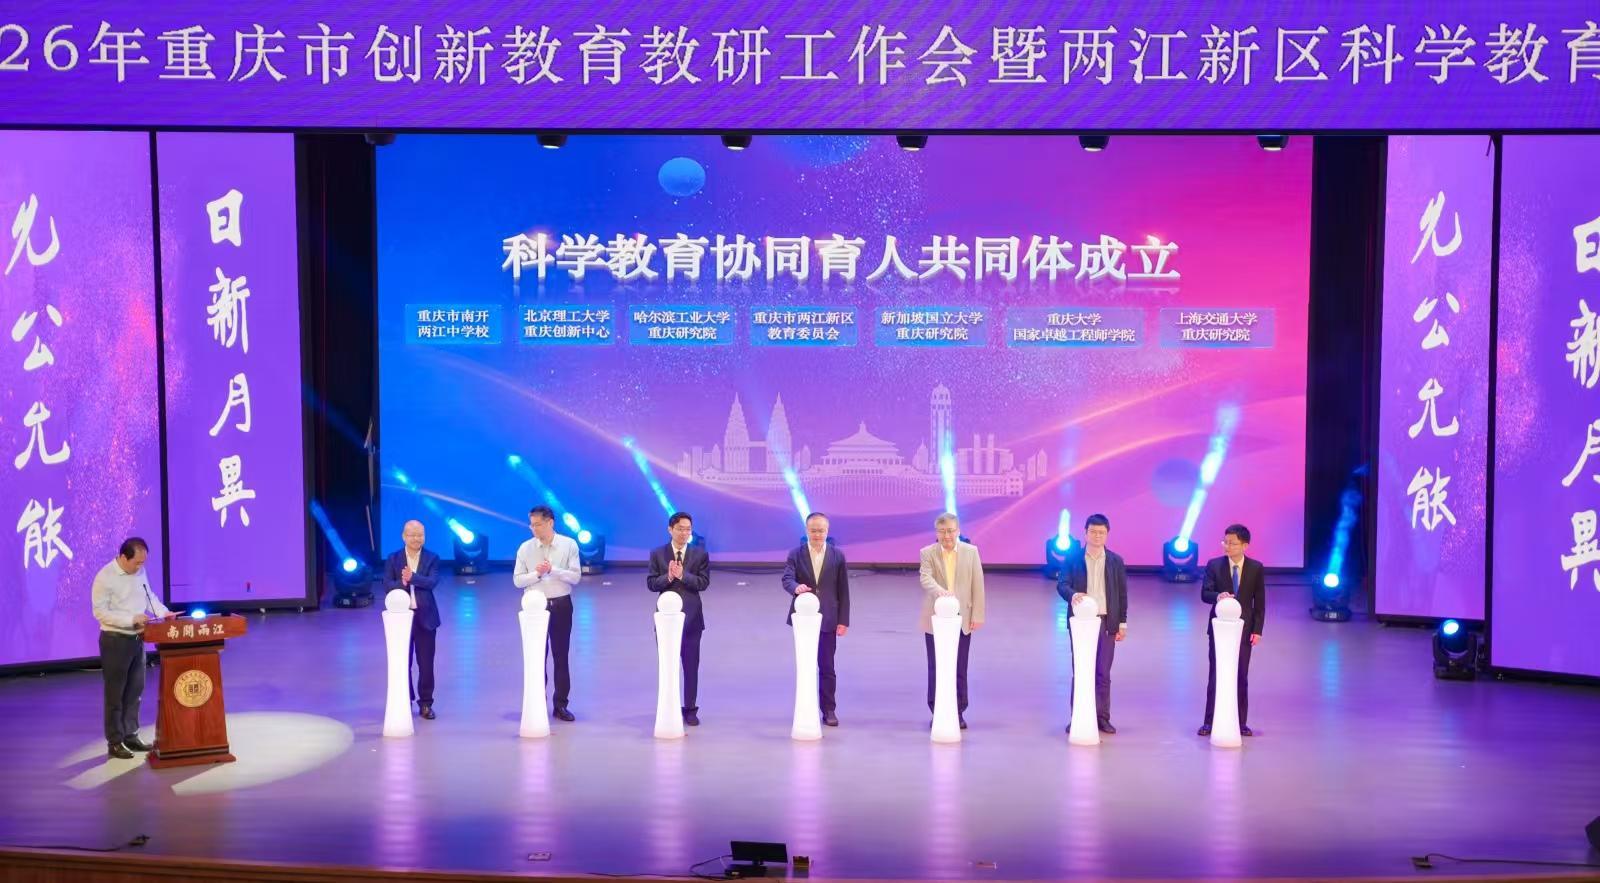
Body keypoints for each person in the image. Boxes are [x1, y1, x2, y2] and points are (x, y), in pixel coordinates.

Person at [90, 537, 173, 759]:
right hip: (115, 640)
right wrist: (131, 619)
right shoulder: (105, 577)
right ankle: (115, 741)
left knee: (135, 690)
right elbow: (100, 612)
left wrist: (163, 612)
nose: (140, 567)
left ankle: (131, 735)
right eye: (137, 563)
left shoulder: (139, 571)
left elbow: (149, 596)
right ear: (123, 557)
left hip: (138, 639)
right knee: (115, 694)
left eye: (143, 563)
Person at [1056, 513, 1128, 734]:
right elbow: (1062, 584)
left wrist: (1122, 623)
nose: (1097, 536)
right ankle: (1078, 716)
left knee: (1103, 672)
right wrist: (1073, 595)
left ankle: (1102, 717)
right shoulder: (1073, 558)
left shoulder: (1115, 561)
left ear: (1107, 534)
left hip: (1107, 620)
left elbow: (1122, 594)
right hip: (1081, 623)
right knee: (1081, 670)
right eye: (1093, 532)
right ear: (1085, 533)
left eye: (1101, 532)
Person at [781, 512, 851, 727]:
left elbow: (843, 590)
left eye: (821, 530)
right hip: (804, 620)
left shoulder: (837, 556)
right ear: (806, 531)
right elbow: (787, 578)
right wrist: (796, 588)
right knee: (806, 665)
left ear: (827, 531)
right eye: (813, 530)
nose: (817, 534)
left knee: (827, 666)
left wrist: (843, 620)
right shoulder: (795, 554)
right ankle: (806, 708)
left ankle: (829, 709)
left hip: (829, 618)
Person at [513, 505, 582, 721]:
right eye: (532, 525)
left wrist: (554, 570)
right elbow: (517, 580)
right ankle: (537, 703)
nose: (534, 528)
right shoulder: (525, 548)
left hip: (561, 605)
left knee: (561, 656)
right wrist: (537, 574)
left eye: (538, 524)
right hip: (535, 608)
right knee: (536, 656)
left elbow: (575, 577)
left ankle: (560, 705)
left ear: (550, 522)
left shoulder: (569, 545)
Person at [1198, 523, 1267, 737]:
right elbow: (1205, 594)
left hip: (1244, 631)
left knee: (1240, 675)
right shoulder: (1214, 565)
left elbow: (1259, 603)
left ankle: (1240, 722)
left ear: (1245, 545)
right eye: (1225, 542)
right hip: (1219, 630)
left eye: (1233, 543)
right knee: (1216, 674)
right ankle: (1209, 722)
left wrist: (1257, 630)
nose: (1227, 546)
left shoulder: (1255, 568)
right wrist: (1218, 596)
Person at [918, 512, 985, 729]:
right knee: (936, 667)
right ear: (936, 532)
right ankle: (937, 710)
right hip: (935, 620)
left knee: (959, 667)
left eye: (950, 531)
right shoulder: (927, 552)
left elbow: (978, 584)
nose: (947, 536)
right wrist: (941, 592)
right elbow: (925, 577)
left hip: (962, 619)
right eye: (942, 531)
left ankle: (958, 711)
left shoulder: (971, 552)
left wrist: (977, 615)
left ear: (958, 531)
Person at [647, 511, 710, 726]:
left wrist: (683, 576)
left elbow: (703, 583)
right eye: (680, 529)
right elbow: (651, 584)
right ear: (670, 529)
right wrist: (669, 577)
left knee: (691, 666)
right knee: (668, 665)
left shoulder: (699, 554)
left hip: (692, 619)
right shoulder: (658, 554)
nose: (684, 533)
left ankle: (690, 709)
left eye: (688, 529)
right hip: (666, 621)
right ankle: (669, 706)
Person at [383, 520, 442, 719]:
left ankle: (425, 704)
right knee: (403, 662)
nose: (417, 538)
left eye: (420, 535)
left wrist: (413, 577)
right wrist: (403, 581)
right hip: (401, 620)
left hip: (426, 619)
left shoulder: (432, 557)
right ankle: (404, 700)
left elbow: (432, 582)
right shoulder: (393, 558)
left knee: (426, 665)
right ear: (404, 536)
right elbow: (387, 585)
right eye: (412, 535)